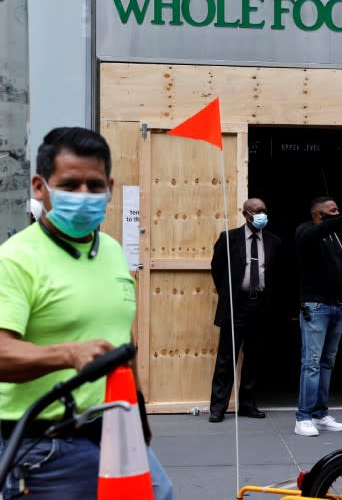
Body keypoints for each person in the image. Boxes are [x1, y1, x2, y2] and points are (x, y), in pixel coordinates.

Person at [0, 127, 172, 499]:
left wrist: (138, 416)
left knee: (162, 493)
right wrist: (68, 353)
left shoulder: (110, 251)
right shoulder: (16, 259)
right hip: (45, 445)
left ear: (110, 186)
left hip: (114, 430)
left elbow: (122, 343)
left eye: (94, 185)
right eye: (70, 184)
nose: (84, 196)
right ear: (39, 186)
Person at [294, 196, 342, 437]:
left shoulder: (334, 237)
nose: (338, 213)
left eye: (339, 209)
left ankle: (320, 414)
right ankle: (303, 417)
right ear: (319, 214)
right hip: (315, 307)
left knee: (327, 362)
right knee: (312, 362)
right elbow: (311, 236)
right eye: (333, 210)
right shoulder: (306, 231)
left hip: (337, 307)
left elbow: (340, 268)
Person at [208, 198, 282, 423]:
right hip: (236, 305)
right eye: (256, 211)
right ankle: (218, 408)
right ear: (245, 214)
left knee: (254, 357)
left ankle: (248, 405)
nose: (261, 215)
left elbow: (277, 274)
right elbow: (217, 269)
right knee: (226, 358)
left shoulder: (274, 241)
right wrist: (228, 294)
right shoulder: (229, 238)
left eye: (264, 211)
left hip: (260, 305)